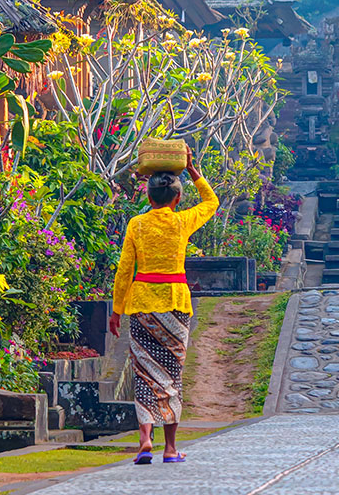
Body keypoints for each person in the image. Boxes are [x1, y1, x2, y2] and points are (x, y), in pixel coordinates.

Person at [109, 146, 218, 465]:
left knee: (144, 372)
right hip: (175, 304)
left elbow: (124, 270)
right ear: (177, 198)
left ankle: (145, 440)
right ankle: (170, 448)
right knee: (171, 374)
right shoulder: (182, 222)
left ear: (149, 196)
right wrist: (193, 171)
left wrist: (116, 310)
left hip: (142, 304)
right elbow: (211, 202)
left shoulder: (137, 225)